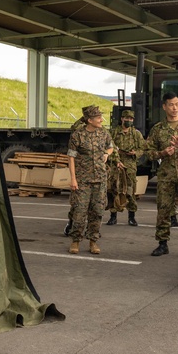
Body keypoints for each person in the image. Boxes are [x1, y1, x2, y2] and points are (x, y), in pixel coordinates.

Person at [145, 92, 178, 258]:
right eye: (171, 105)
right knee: (163, 211)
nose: (174, 108)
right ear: (164, 107)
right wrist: (162, 153)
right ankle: (162, 244)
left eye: (177, 104)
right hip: (166, 176)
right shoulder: (158, 129)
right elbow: (147, 152)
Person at [67, 105, 115, 254]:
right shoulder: (78, 135)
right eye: (98, 117)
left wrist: (107, 154)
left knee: (97, 211)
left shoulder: (104, 133)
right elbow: (71, 157)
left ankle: (93, 241)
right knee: (79, 211)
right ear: (89, 120)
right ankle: (75, 241)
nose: (101, 119)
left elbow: (111, 146)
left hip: (100, 179)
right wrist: (73, 179)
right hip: (82, 180)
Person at [108, 109, 146, 226]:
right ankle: (113, 216)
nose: (128, 120)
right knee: (114, 189)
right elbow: (109, 148)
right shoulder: (114, 133)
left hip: (130, 166)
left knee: (130, 191)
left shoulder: (136, 134)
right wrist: (116, 160)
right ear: (122, 119)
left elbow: (143, 148)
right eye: (126, 118)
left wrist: (136, 153)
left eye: (131, 119)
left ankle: (132, 216)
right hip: (116, 164)